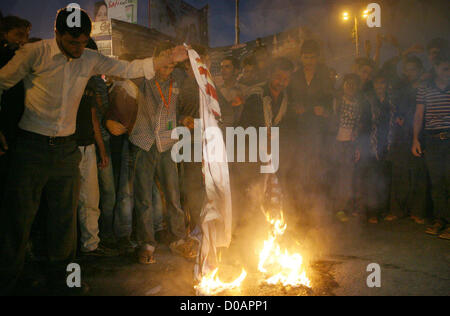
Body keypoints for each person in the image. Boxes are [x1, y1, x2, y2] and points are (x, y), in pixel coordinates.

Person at [0, 7, 188, 294]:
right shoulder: (33, 53)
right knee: (18, 219)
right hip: (31, 146)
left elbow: (125, 69)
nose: (76, 48)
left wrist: (161, 59)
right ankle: (6, 282)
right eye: (71, 42)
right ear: (57, 34)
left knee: (65, 222)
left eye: (81, 41)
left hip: (66, 149)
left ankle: (65, 282)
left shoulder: (88, 58)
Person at [75, 38, 115, 257]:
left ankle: (91, 245)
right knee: (70, 201)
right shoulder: (67, 78)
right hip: (67, 148)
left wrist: (100, 149)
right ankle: (69, 250)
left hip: (88, 146)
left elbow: (94, 119)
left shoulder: (92, 83)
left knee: (92, 199)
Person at [287, 39, 334, 211]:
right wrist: (294, 109)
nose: (309, 61)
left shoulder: (324, 76)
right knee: (300, 167)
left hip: (318, 129)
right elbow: (288, 101)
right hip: (299, 129)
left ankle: (319, 206)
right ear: (301, 58)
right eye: (306, 57)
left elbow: (331, 101)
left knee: (318, 165)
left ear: (317, 58)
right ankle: (301, 207)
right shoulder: (294, 77)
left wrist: (325, 110)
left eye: (312, 57)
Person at [412, 51, 449, 239]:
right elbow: (419, 115)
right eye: (444, 69)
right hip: (432, 140)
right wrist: (415, 139)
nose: (447, 72)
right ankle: (441, 219)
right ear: (435, 69)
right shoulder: (425, 88)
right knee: (437, 182)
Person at [388, 56, 428, 223]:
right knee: (399, 174)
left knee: (418, 174)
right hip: (401, 136)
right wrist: (398, 117)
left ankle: (418, 211)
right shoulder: (401, 87)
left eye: (413, 69)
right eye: (407, 69)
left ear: (419, 70)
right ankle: (397, 210)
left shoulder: (425, 87)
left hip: (420, 135)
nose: (410, 73)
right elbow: (395, 107)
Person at [356, 71, 395, 224]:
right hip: (369, 144)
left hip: (386, 144)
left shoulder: (391, 102)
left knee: (383, 180)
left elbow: (393, 122)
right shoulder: (368, 102)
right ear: (373, 85)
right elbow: (362, 124)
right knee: (370, 179)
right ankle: (369, 212)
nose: (380, 86)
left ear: (386, 85)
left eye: (382, 83)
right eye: (377, 83)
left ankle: (381, 210)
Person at [0, 16, 31, 198]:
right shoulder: (6, 57)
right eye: (19, 35)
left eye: (26, 36)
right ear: (4, 33)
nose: (23, 41)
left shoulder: (22, 59)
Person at [331, 74, 363, 222]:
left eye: (353, 84)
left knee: (346, 177)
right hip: (335, 143)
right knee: (334, 176)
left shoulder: (358, 104)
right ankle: (332, 208)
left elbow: (358, 126)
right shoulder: (336, 100)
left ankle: (341, 208)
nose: (350, 87)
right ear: (343, 85)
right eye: (347, 84)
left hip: (349, 145)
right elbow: (329, 121)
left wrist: (356, 146)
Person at [218, 56, 248, 127]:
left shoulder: (245, 90)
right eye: (221, 67)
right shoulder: (217, 90)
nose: (223, 70)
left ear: (236, 70)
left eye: (227, 67)